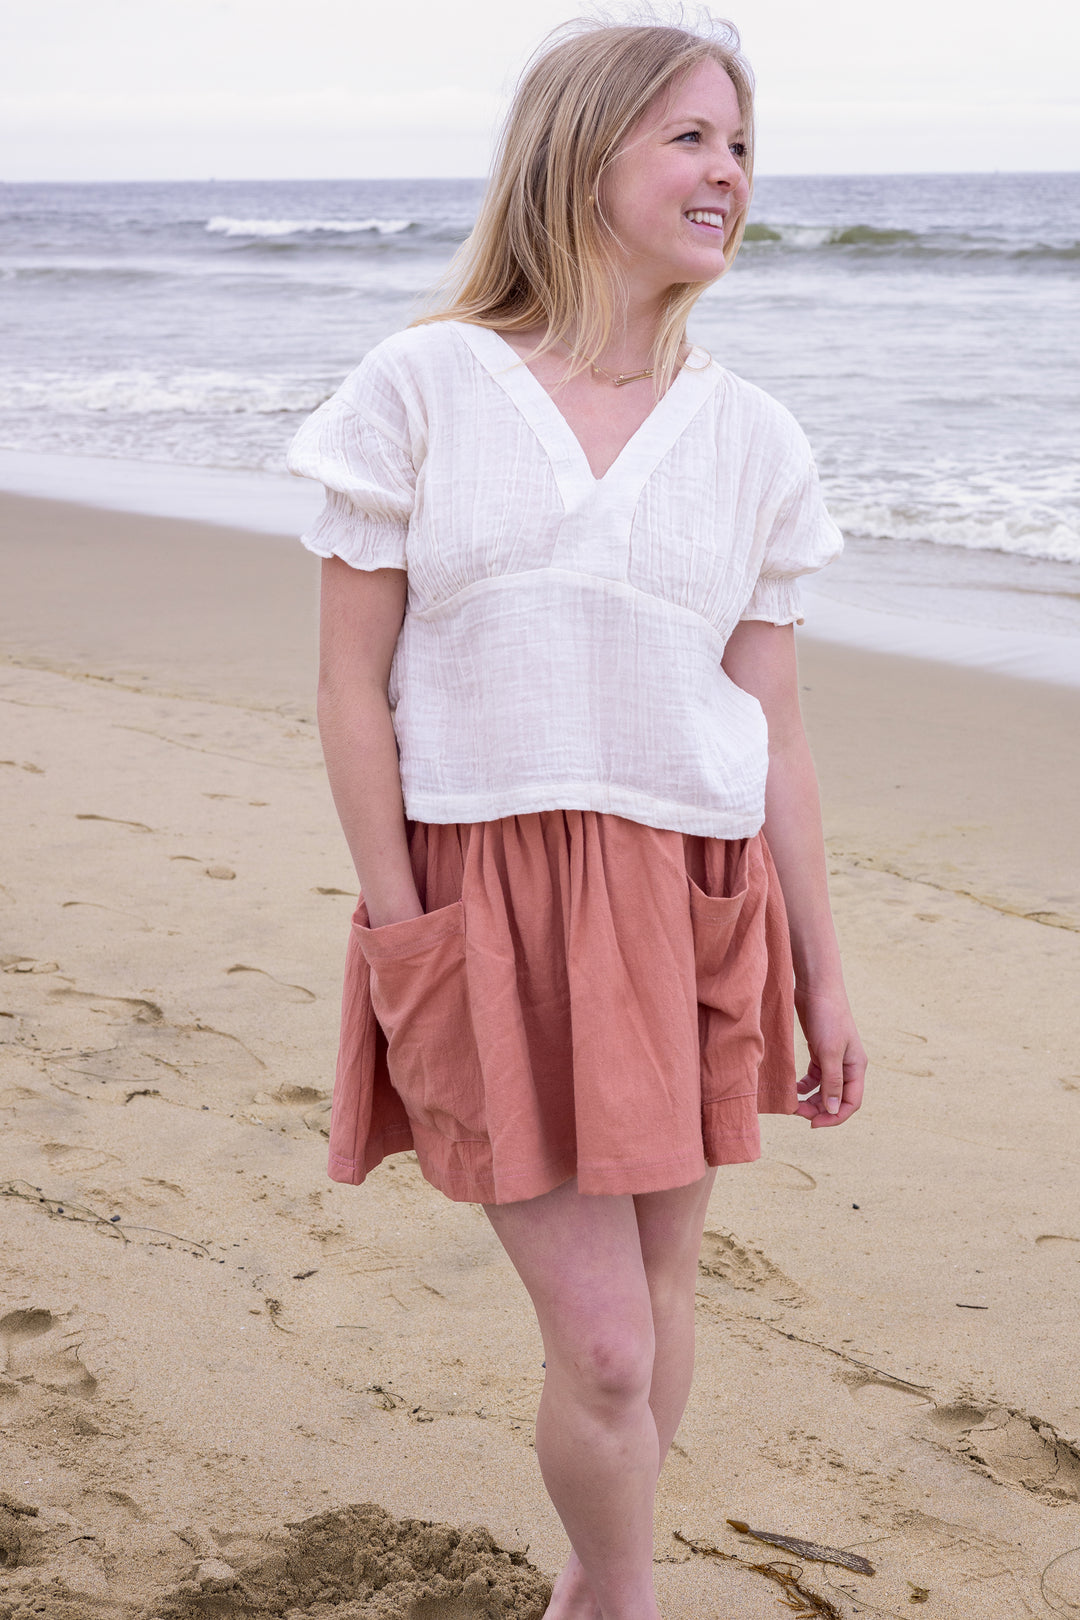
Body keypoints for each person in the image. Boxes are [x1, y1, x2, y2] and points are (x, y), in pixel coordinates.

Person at [286, 15, 866, 1619]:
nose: (728, 174)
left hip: (692, 884)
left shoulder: (752, 438)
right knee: (601, 1336)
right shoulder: (422, 383)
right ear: (582, 152)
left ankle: (596, 1588)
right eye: (690, 138)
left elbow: (774, 728)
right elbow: (351, 692)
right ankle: (617, 1594)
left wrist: (824, 972)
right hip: (486, 892)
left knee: (663, 1296)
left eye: (741, 147)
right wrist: (406, 925)